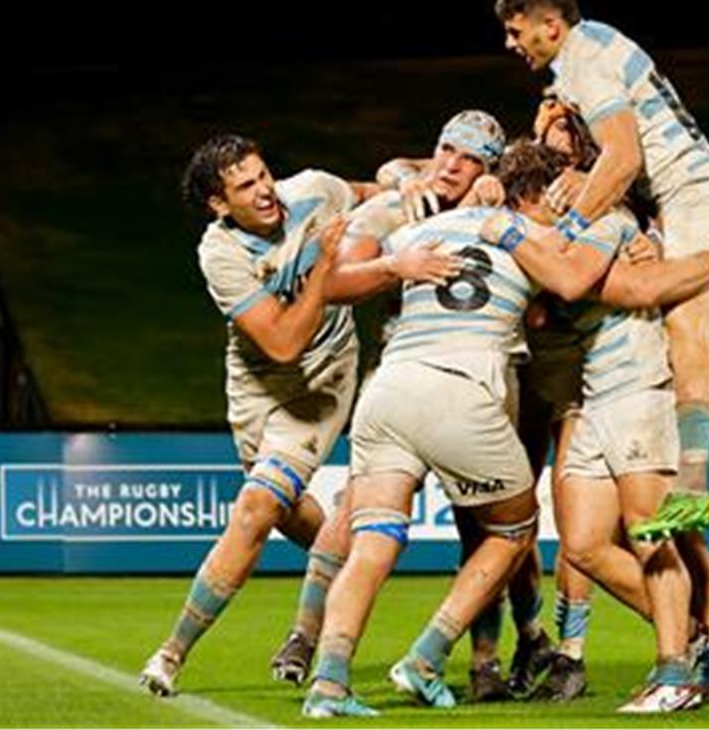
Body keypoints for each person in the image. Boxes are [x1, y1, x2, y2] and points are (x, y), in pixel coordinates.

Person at [493, 0, 709, 563]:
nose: (510, 43)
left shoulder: (585, 61)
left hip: (699, 197)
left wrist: (574, 227)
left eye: (515, 31)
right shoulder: (597, 47)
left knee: (683, 330)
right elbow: (625, 157)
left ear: (549, 26)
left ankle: (690, 484)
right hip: (702, 194)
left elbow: (626, 157)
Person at [483, 139, 709, 710]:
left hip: (639, 392)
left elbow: (611, 286)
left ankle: (675, 671)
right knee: (582, 546)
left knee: (650, 533)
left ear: (540, 196)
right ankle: (698, 639)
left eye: (519, 209)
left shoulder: (606, 223)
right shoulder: (560, 239)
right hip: (592, 402)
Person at [301, 144, 560, 719]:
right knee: (513, 531)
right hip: (461, 390)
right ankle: (426, 656)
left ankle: (329, 683)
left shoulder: (422, 227)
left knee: (371, 543)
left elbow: (342, 274)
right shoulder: (527, 234)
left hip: (388, 389)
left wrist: (395, 186)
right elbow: (576, 285)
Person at [140, 134, 368, 697]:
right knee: (283, 511)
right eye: (246, 186)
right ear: (220, 204)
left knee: (255, 507)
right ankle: (347, 552)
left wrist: (419, 175)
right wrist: (323, 271)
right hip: (258, 384)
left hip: (323, 381)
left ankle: (171, 653)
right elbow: (282, 342)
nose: (265, 190)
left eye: (264, 174)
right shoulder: (219, 253)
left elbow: (376, 191)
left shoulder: (314, 190)